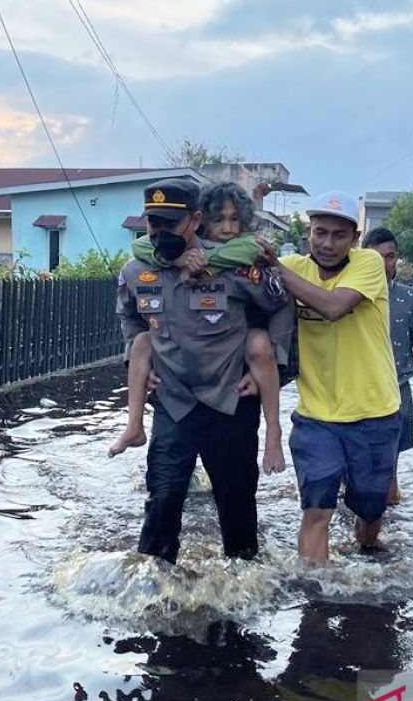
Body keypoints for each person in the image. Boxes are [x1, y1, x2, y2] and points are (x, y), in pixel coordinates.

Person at [116, 178, 291, 564]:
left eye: (171, 224)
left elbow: (280, 306)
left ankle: (243, 597)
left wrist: (270, 365)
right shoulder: (135, 270)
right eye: (153, 224)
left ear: (195, 220)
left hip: (230, 401)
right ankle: (155, 587)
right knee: (163, 498)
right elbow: (129, 317)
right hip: (173, 401)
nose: (161, 233)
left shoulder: (237, 267)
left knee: (236, 505)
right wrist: (137, 365)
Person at [274, 191, 401, 563]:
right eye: (319, 233)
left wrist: (276, 270)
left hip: (374, 412)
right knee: (316, 512)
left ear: (355, 238)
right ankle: (317, 599)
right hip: (316, 416)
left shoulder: (369, 264)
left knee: (370, 509)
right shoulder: (293, 266)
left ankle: (367, 545)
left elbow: (332, 307)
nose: (327, 243)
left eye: (338, 235)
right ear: (308, 232)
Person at [363, 227, 413, 504]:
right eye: (376, 257)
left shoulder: (411, 300)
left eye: (390, 257)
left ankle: (389, 524)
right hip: (355, 391)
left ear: (396, 259)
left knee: (389, 467)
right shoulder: (347, 297)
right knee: (351, 466)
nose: (384, 264)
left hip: (397, 392)